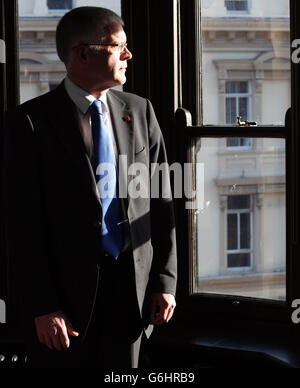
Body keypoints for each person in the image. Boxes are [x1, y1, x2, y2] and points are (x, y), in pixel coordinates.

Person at [3, 7, 177, 368]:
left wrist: (165, 280)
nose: (129, 55)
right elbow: (21, 226)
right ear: (82, 53)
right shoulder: (29, 123)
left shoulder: (140, 111)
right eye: (118, 46)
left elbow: (161, 202)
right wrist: (42, 305)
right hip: (64, 311)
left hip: (134, 300)